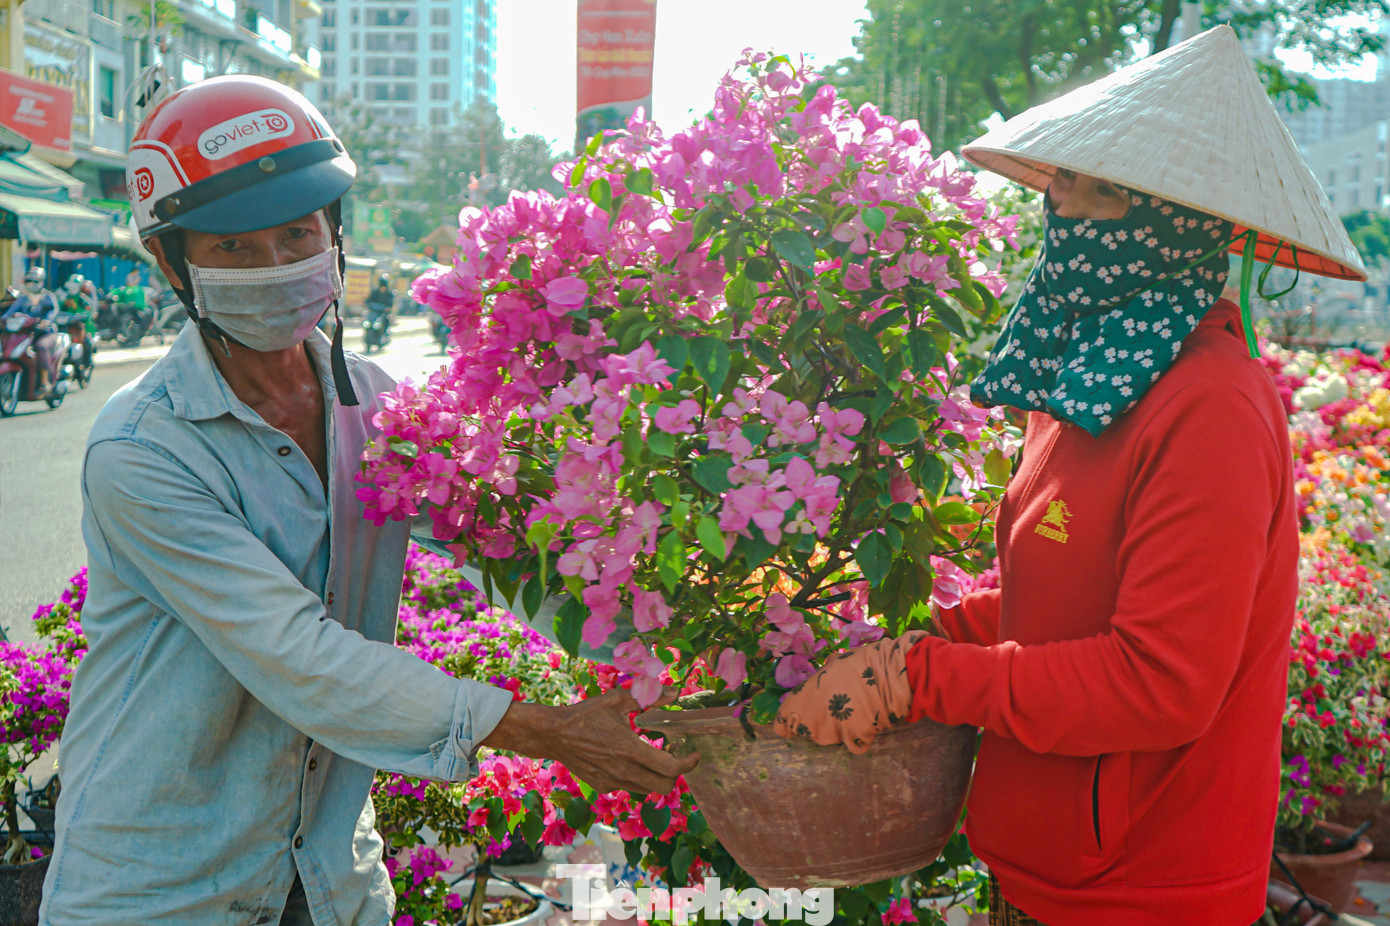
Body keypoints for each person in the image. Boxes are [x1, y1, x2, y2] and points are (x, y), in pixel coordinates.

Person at [41, 75, 694, 926]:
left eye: (295, 233)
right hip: (161, 888)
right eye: (233, 246)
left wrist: (687, 638)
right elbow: (301, 660)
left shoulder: (379, 406)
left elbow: (508, 549)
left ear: (333, 232)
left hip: (329, 878)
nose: (275, 265)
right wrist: (550, 731)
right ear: (171, 263)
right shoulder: (143, 450)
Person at [775, 25, 1367, 926]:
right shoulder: (1091, 377)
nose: (1070, 212)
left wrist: (918, 677)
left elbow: (1159, 682)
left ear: (1184, 225)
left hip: (1145, 895)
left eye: (1108, 194)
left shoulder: (1210, 405)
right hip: (1041, 870)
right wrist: (901, 636)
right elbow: (1055, 603)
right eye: (1065, 181)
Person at [0, 267, 61, 395]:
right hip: (25, 334)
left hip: (45, 333)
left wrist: (46, 322)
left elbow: (53, 312)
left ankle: (44, 382)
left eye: (35, 281)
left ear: (42, 282)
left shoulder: (48, 297)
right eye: (28, 281)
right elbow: (9, 313)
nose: (32, 284)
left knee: (41, 347)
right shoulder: (23, 298)